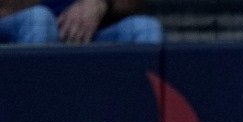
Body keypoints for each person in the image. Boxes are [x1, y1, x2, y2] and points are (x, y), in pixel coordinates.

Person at [0, 0, 162, 43]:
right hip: (15, 40)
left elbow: (134, 4)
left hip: (81, 38)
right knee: (39, 20)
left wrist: (101, 2)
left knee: (145, 27)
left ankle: (139, 119)